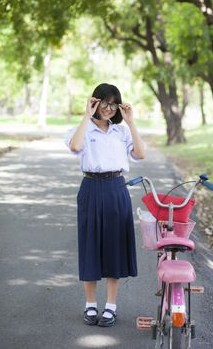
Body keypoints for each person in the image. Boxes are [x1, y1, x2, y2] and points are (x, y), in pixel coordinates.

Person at [65, 83, 145, 327]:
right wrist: (85, 117)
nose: (109, 109)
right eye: (105, 103)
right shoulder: (83, 129)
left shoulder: (121, 131)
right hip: (91, 188)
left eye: (114, 104)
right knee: (90, 245)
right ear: (95, 102)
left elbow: (140, 154)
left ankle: (111, 306)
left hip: (116, 188)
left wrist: (131, 122)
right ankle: (90, 305)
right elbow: (75, 146)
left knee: (115, 246)